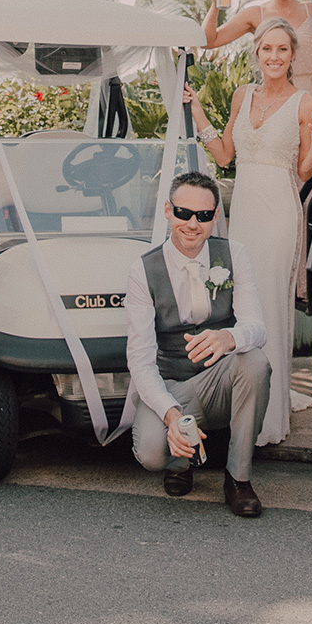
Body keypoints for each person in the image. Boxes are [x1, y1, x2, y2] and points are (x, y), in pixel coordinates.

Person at [186, 18, 312, 446]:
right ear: (256, 54)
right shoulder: (241, 95)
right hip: (244, 210)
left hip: (279, 211)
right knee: (241, 301)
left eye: (282, 50)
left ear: (292, 55)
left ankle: (268, 415)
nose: (274, 57)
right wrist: (196, 109)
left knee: (268, 299)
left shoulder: (305, 102)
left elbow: (303, 172)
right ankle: (239, 401)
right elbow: (226, 154)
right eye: (266, 49)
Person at [124, 173, 270, 516]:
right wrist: (172, 415)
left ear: (215, 216)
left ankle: (238, 478)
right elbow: (140, 361)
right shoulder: (142, 270)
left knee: (256, 362)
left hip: (217, 381)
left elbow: (257, 328)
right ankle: (178, 462)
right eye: (183, 213)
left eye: (203, 216)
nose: (192, 223)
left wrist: (228, 337)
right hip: (170, 383)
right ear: (167, 210)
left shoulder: (235, 254)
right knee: (149, 453)